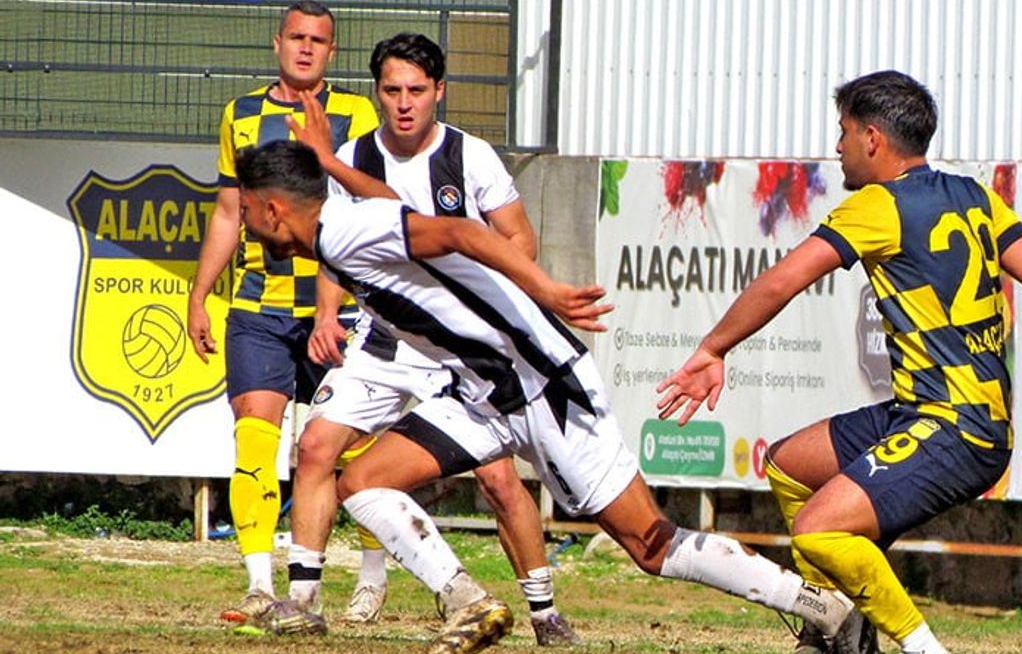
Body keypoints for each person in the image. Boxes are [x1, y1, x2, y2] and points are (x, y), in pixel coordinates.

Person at [232, 139, 864, 654]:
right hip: (484, 390)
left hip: (541, 384)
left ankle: (827, 609)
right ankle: (469, 605)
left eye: (245, 212)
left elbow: (460, 232)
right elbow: (401, 213)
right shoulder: (339, 233)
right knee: (363, 481)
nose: (244, 226)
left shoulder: (343, 237)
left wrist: (549, 291)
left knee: (650, 545)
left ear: (272, 209)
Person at [656, 70, 1022, 654]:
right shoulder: (975, 195)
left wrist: (712, 349)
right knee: (789, 465)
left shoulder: (876, 208)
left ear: (871, 138)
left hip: (953, 427)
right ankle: (836, 627)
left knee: (818, 526)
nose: (835, 147)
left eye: (841, 132)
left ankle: (920, 648)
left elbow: (782, 281)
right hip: (945, 417)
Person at [277, 32, 582, 643]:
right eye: (392, 90)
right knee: (314, 448)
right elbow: (334, 244)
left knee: (498, 479)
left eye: (417, 90)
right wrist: (327, 314)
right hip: (386, 339)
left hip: (456, 348)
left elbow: (518, 240)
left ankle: (546, 613)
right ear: (377, 94)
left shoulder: (470, 157)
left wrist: (474, 288)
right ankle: (303, 601)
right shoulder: (358, 156)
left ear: (439, 91)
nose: (404, 103)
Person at [185, 0, 380, 624]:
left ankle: (371, 577)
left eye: (318, 41)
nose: (306, 48)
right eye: (297, 37)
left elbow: (365, 208)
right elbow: (227, 212)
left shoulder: (356, 113)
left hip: (340, 308)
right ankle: (259, 583)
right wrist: (198, 294)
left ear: (332, 52)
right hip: (257, 307)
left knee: (351, 449)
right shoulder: (241, 113)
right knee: (253, 438)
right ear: (277, 43)